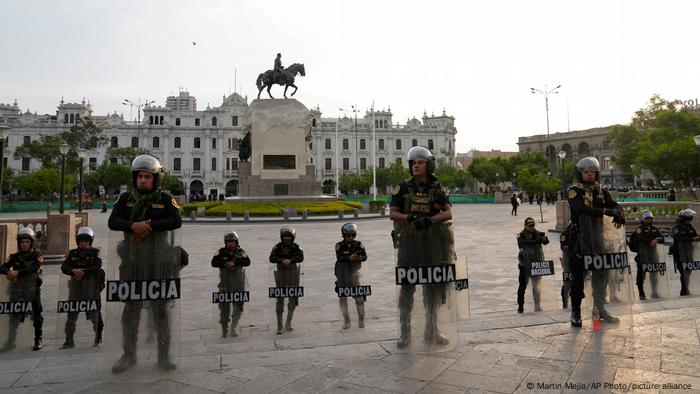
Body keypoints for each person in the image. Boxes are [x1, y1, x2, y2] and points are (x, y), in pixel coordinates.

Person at [108, 154, 182, 373]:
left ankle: (163, 355)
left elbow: (176, 220)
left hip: (158, 263)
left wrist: (148, 226)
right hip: (132, 263)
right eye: (139, 176)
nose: (142, 180)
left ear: (156, 179)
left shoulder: (166, 199)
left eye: (147, 177)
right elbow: (113, 221)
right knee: (131, 310)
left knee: (161, 312)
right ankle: (128, 355)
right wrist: (132, 226)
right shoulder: (125, 199)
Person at [390, 146, 454, 349]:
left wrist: (430, 220)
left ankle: (432, 330)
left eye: (420, 162)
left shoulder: (438, 187)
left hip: (433, 246)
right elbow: (392, 212)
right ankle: (405, 332)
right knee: (407, 290)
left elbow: (448, 212)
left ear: (429, 165)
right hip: (409, 245)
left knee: (432, 289)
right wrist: (408, 217)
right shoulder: (403, 188)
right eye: (413, 163)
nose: (415, 166)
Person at [567, 157, 625, 327]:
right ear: (580, 173)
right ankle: (575, 312)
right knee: (578, 278)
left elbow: (614, 203)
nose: (590, 175)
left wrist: (619, 213)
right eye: (586, 172)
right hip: (579, 239)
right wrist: (608, 211)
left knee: (601, 275)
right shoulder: (574, 190)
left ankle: (599, 309)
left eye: (593, 172)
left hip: (599, 239)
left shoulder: (600, 190)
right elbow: (581, 209)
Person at [60, 227, 105, 349]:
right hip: (75, 288)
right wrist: (73, 271)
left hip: (91, 288)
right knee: (72, 314)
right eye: (81, 241)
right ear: (77, 241)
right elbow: (64, 267)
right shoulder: (72, 253)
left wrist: (81, 272)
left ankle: (98, 337)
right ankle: (69, 339)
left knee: (95, 313)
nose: (83, 243)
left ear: (90, 241)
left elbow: (97, 266)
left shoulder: (95, 252)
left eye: (86, 241)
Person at [0, 228, 44, 352]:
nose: (24, 244)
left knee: (36, 314)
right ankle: (10, 340)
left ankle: (38, 339)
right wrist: (8, 272)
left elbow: (35, 267)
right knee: (13, 315)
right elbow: (2, 267)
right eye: (22, 242)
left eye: (27, 242)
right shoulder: (14, 256)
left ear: (31, 242)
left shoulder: (37, 255)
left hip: (32, 289)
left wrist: (17, 272)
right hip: (16, 289)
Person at [211, 231, 250, 338]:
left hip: (238, 284)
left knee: (238, 307)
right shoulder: (221, 252)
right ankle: (224, 330)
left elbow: (247, 261)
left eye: (232, 241)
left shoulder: (240, 252)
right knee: (224, 309)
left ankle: (233, 327)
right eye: (228, 242)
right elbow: (213, 262)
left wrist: (235, 263)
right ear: (225, 243)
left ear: (236, 242)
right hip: (225, 284)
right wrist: (225, 264)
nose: (230, 244)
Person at [269, 226, 304, 335]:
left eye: (289, 237)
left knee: (292, 300)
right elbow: (271, 258)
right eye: (285, 237)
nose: (287, 239)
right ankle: (279, 325)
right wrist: (282, 261)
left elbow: (301, 257)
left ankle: (288, 322)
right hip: (281, 276)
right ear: (282, 237)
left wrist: (291, 261)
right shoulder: (277, 247)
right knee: (280, 300)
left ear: (293, 238)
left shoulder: (296, 247)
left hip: (293, 275)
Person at [335, 223, 367, 329]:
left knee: (359, 297)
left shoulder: (359, 244)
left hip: (354, 275)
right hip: (342, 276)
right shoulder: (339, 245)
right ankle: (346, 321)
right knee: (343, 298)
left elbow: (365, 256)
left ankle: (361, 319)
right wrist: (349, 258)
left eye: (352, 235)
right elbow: (339, 258)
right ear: (344, 235)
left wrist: (359, 258)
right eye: (348, 235)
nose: (350, 237)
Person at [516, 217, 549, 313]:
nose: (531, 228)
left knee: (537, 287)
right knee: (522, 287)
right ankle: (520, 307)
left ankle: (537, 306)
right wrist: (537, 241)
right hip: (525, 265)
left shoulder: (538, 234)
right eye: (529, 226)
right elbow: (522, 243)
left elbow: (546, 242)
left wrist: (544, 239)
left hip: (536, 264)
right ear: (525, 226)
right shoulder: (520, 235)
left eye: (533, 225)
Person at [628, 210, 664, 300]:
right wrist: (651, 241)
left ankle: (654, 291)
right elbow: (641, 238)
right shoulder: (639, 229)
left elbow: (662, 238)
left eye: (650, 218)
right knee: (641, 274)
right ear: (643, 219)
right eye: (647, 218)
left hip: (653, 254)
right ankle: (641, 293)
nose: (649, 220)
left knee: (654, 274)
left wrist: (657, 240)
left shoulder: (655, 229)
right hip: (643, 254)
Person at [671, 208, 699, 296]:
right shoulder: (676, 227)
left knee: (689, 270)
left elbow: (694, 235)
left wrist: (697, 237)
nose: (689, 220)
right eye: (688, 219)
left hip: (689, 251)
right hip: (680, 253)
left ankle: (686, 288)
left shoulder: (689, 226)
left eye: (690, 218)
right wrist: (691, 239)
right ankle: (684, 290)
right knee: (683, 271)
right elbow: (678, 238)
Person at [559, 223, 573, 309]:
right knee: (567, 282)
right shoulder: (565, 233)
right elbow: (563, 247)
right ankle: (565, 302)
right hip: (568, 260)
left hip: (578, 260)